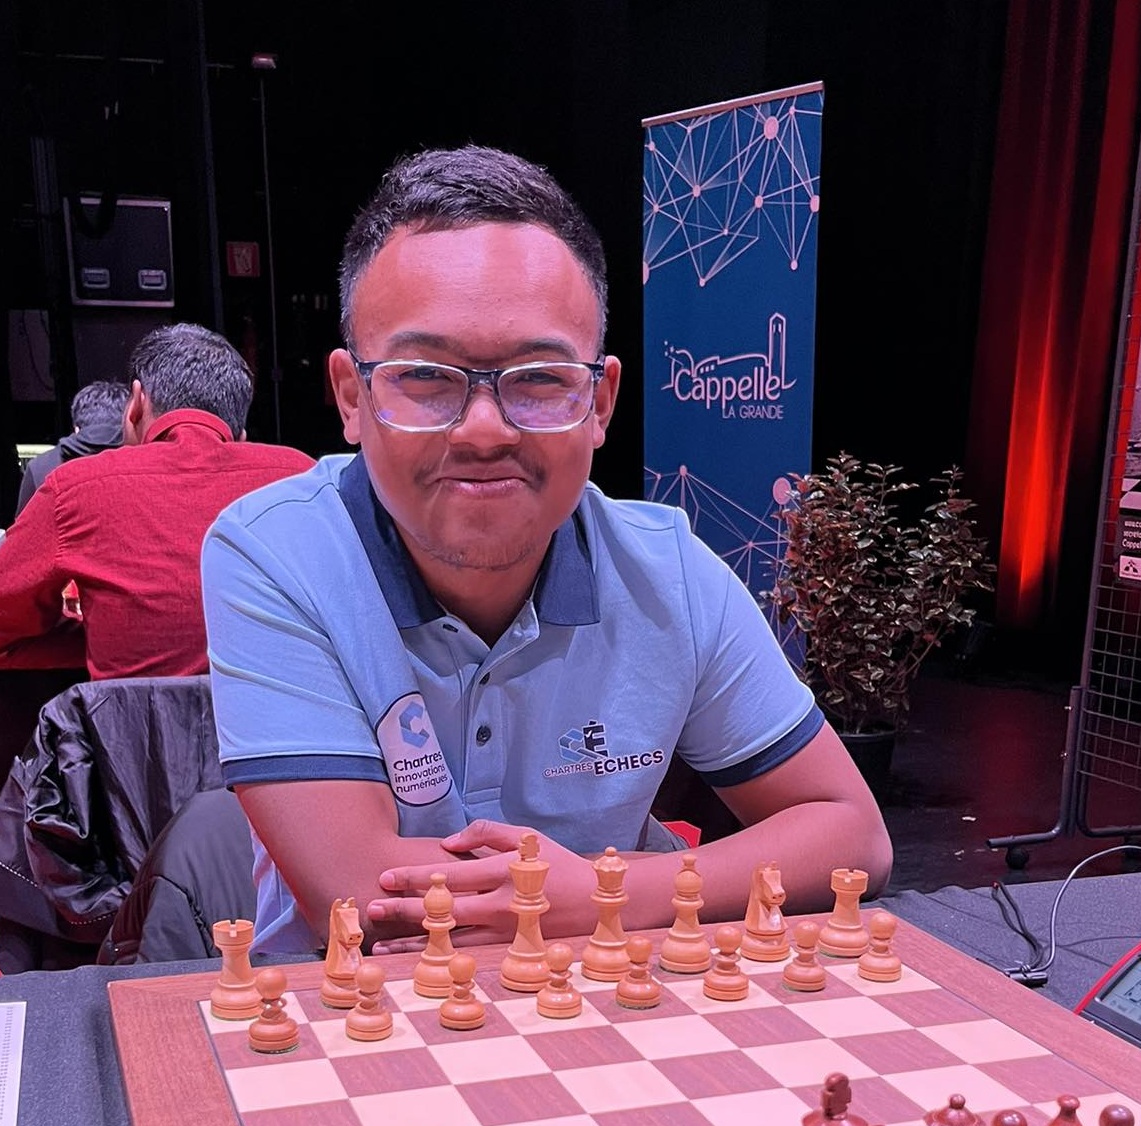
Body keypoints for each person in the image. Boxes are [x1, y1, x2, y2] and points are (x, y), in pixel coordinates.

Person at [200, 145, 891, 957]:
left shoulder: (667, 571)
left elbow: (852, 836)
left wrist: (602, 894)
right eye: (425, 377)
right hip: (352, 1006)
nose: (483, 430)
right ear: (352, 397)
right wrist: (605, 890)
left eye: (536, 378)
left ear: (599, 403)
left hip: (605, 999)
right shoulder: (273, 554)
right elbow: (358, 896)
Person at [0, 322, 313, 679]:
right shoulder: (302, 480)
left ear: (135, 404)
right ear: (241, 436)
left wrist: (105, 639)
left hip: (132, 717)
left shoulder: (75, 486)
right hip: (283, 715)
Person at [14, 378, 132, 517]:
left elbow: (24, 527)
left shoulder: (40, 467)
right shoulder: (142, 462)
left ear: (76, 428)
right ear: (128, 422)